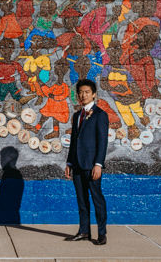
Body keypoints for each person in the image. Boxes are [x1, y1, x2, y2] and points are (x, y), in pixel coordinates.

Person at [63, 78, 108, 246]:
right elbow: (74, 141)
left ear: (94, 94)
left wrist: (98, 164)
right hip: (77, 164)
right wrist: (69, 163)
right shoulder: (77, 116)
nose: (83, 95)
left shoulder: (100, 115)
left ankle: (102, 233)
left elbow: (102, 142)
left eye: (87, 92)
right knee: (81, 200)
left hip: (92, 166)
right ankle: (84, 231)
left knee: (97, 199)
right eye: (80, 92)